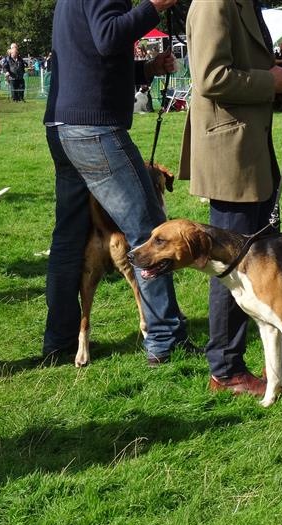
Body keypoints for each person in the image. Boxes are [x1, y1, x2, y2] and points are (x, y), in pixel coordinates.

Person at [43, 0, 195, 366]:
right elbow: (108, 37)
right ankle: (164, 339)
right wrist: (154, 7)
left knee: (68, 238)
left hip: (62, 123)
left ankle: (60, 342)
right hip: (94, 127)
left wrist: (145, 69)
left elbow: (90, 53)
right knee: (149, 230)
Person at [181, 0, 282, 396]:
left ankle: (277, 361)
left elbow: (247, 69)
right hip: (231, 154)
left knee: (265, 259)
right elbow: (210, 77)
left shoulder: (243, 4)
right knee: (231, 264)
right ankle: (226, 369)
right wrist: (270, 82)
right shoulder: (214, 4)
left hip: (251, 148)